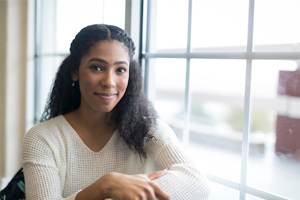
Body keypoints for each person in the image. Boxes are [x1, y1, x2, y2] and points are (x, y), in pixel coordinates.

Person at [22, 24, 210, 200]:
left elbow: (198, 184)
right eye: (97, 67)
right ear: (75, 71)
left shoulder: (149, 130)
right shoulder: (42, 138)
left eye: (120, 69)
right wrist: (105, 186)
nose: (109, 82)